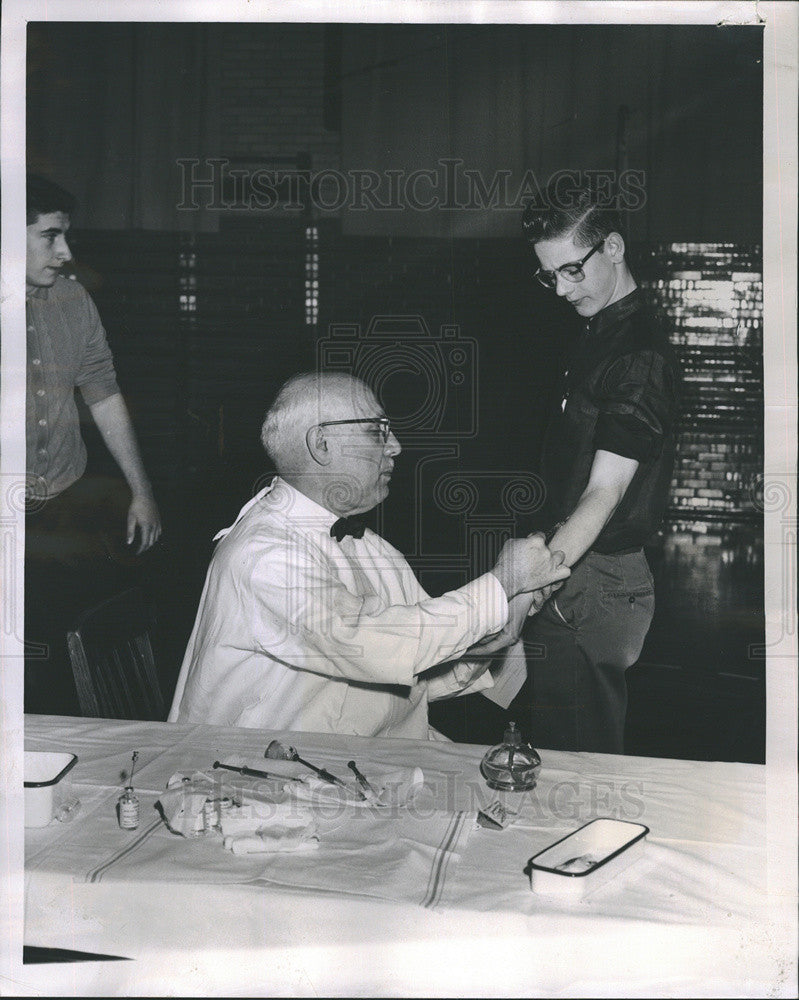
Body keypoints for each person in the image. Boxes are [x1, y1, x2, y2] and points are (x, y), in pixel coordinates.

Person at [168, 372, 570, 738]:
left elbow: (419, 667)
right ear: (322, 444)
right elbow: (383, 645)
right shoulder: (265, 556)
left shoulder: (366, 544)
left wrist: (507, 617)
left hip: (357, 759)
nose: (395, 447)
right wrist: (505, 582)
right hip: (257, 775)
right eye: (378, 431)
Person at [514, 183, 678, 754]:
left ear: (613, 246)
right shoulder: (596, 331)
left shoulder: (637, 355)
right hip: (573, 560)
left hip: (601, 577)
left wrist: (538, 573)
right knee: (557, 746)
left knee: (582, 760)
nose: (560, 289)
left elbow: (605, 491)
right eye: (549, 275)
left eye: (572, 271)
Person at [25, 174, 161, 712]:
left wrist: (141, 490)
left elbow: (102, 391)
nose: (65, 252)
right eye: (50, 237)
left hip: (59, 507)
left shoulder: (73, 298)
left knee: (54, 657)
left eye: (66, 236)